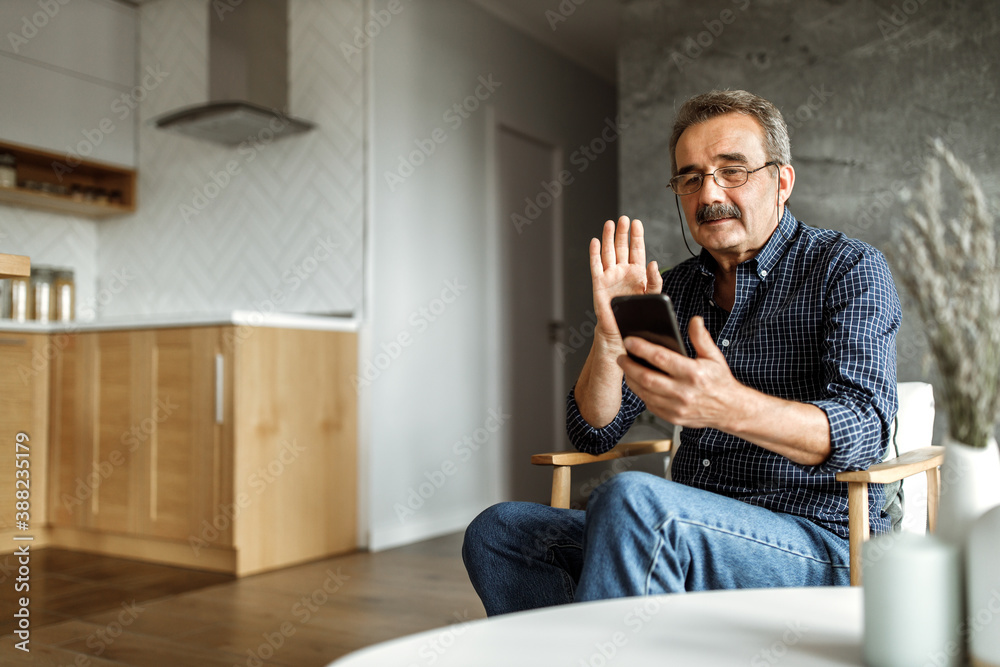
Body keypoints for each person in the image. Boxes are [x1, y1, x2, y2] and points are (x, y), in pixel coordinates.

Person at [463, 90, 901, 616]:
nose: (708, 193)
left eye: (732, 170)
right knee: (501, 532)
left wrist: (729, 406)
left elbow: (863, 430)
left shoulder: (847, 268)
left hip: (818, 541)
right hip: (685, 527)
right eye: (690, 178)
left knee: (636, 504)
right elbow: (593, 429)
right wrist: (609, 337)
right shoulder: (670, 290)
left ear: (782, 181)